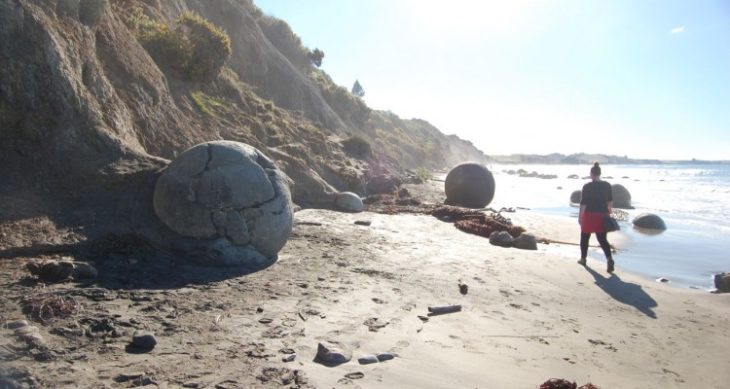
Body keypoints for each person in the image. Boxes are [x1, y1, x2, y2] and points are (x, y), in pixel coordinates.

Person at [578, 162, 615, 272]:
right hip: (602, 215)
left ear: (591, 174)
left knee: (585, 237)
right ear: (600, 173)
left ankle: (583, 259)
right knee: (602, 239)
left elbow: (583, 203)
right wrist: (609, 213)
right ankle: (609, 259)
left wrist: (580, 217)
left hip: (589, 215)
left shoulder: (587, 186)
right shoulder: (607, 185)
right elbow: (610, 202)